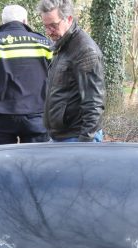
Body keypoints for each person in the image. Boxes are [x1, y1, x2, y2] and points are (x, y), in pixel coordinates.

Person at [0, 5, 53, 145]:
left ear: (3, 22)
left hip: (1, 115)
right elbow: (56, 79)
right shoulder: (44, 43)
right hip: (36, 115)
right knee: (35, 164)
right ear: (25, 21)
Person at [37, 0, 105, 142]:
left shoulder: (85, 50)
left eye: (53, 25)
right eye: (46, 26)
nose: (49, 32)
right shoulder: (62, 45)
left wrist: (84, 144)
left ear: (68, 19)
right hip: (60, 136)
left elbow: (94, 103)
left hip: (76, 138)